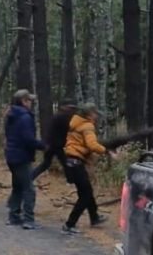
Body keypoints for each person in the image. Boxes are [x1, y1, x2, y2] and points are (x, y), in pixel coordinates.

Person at [62, 102, 111, 234]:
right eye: (95, 113)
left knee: (86, 190)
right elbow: (92, 145)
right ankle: (69, 224)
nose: (96, 116)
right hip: (76, 163)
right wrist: (106, 151)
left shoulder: (75, 123)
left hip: (70, 161)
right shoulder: (87, 126)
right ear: (89, 114)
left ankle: (94, 217)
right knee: (85, 195)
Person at [4, 89, 46, 229]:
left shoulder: (11, 115)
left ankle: (14, 216)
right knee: (29, 188)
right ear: (24, 101)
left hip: (11, 155)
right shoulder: (25, 117)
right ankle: (28, 220)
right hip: (21, 157)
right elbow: (28, 139)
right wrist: (43, 146)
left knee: (18, 186)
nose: (31, 103)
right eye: (29, 100)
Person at [31, 99, 77, 180]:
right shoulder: (63, 116)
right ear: (63, 107)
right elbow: (68, 130)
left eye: (72, 108)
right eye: (70, 108)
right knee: (65, 162)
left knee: (46, 164)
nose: (71, 110)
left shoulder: (59, 115)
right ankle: (71, 180)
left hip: (51, 144)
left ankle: (31, 177)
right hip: (57, 145)